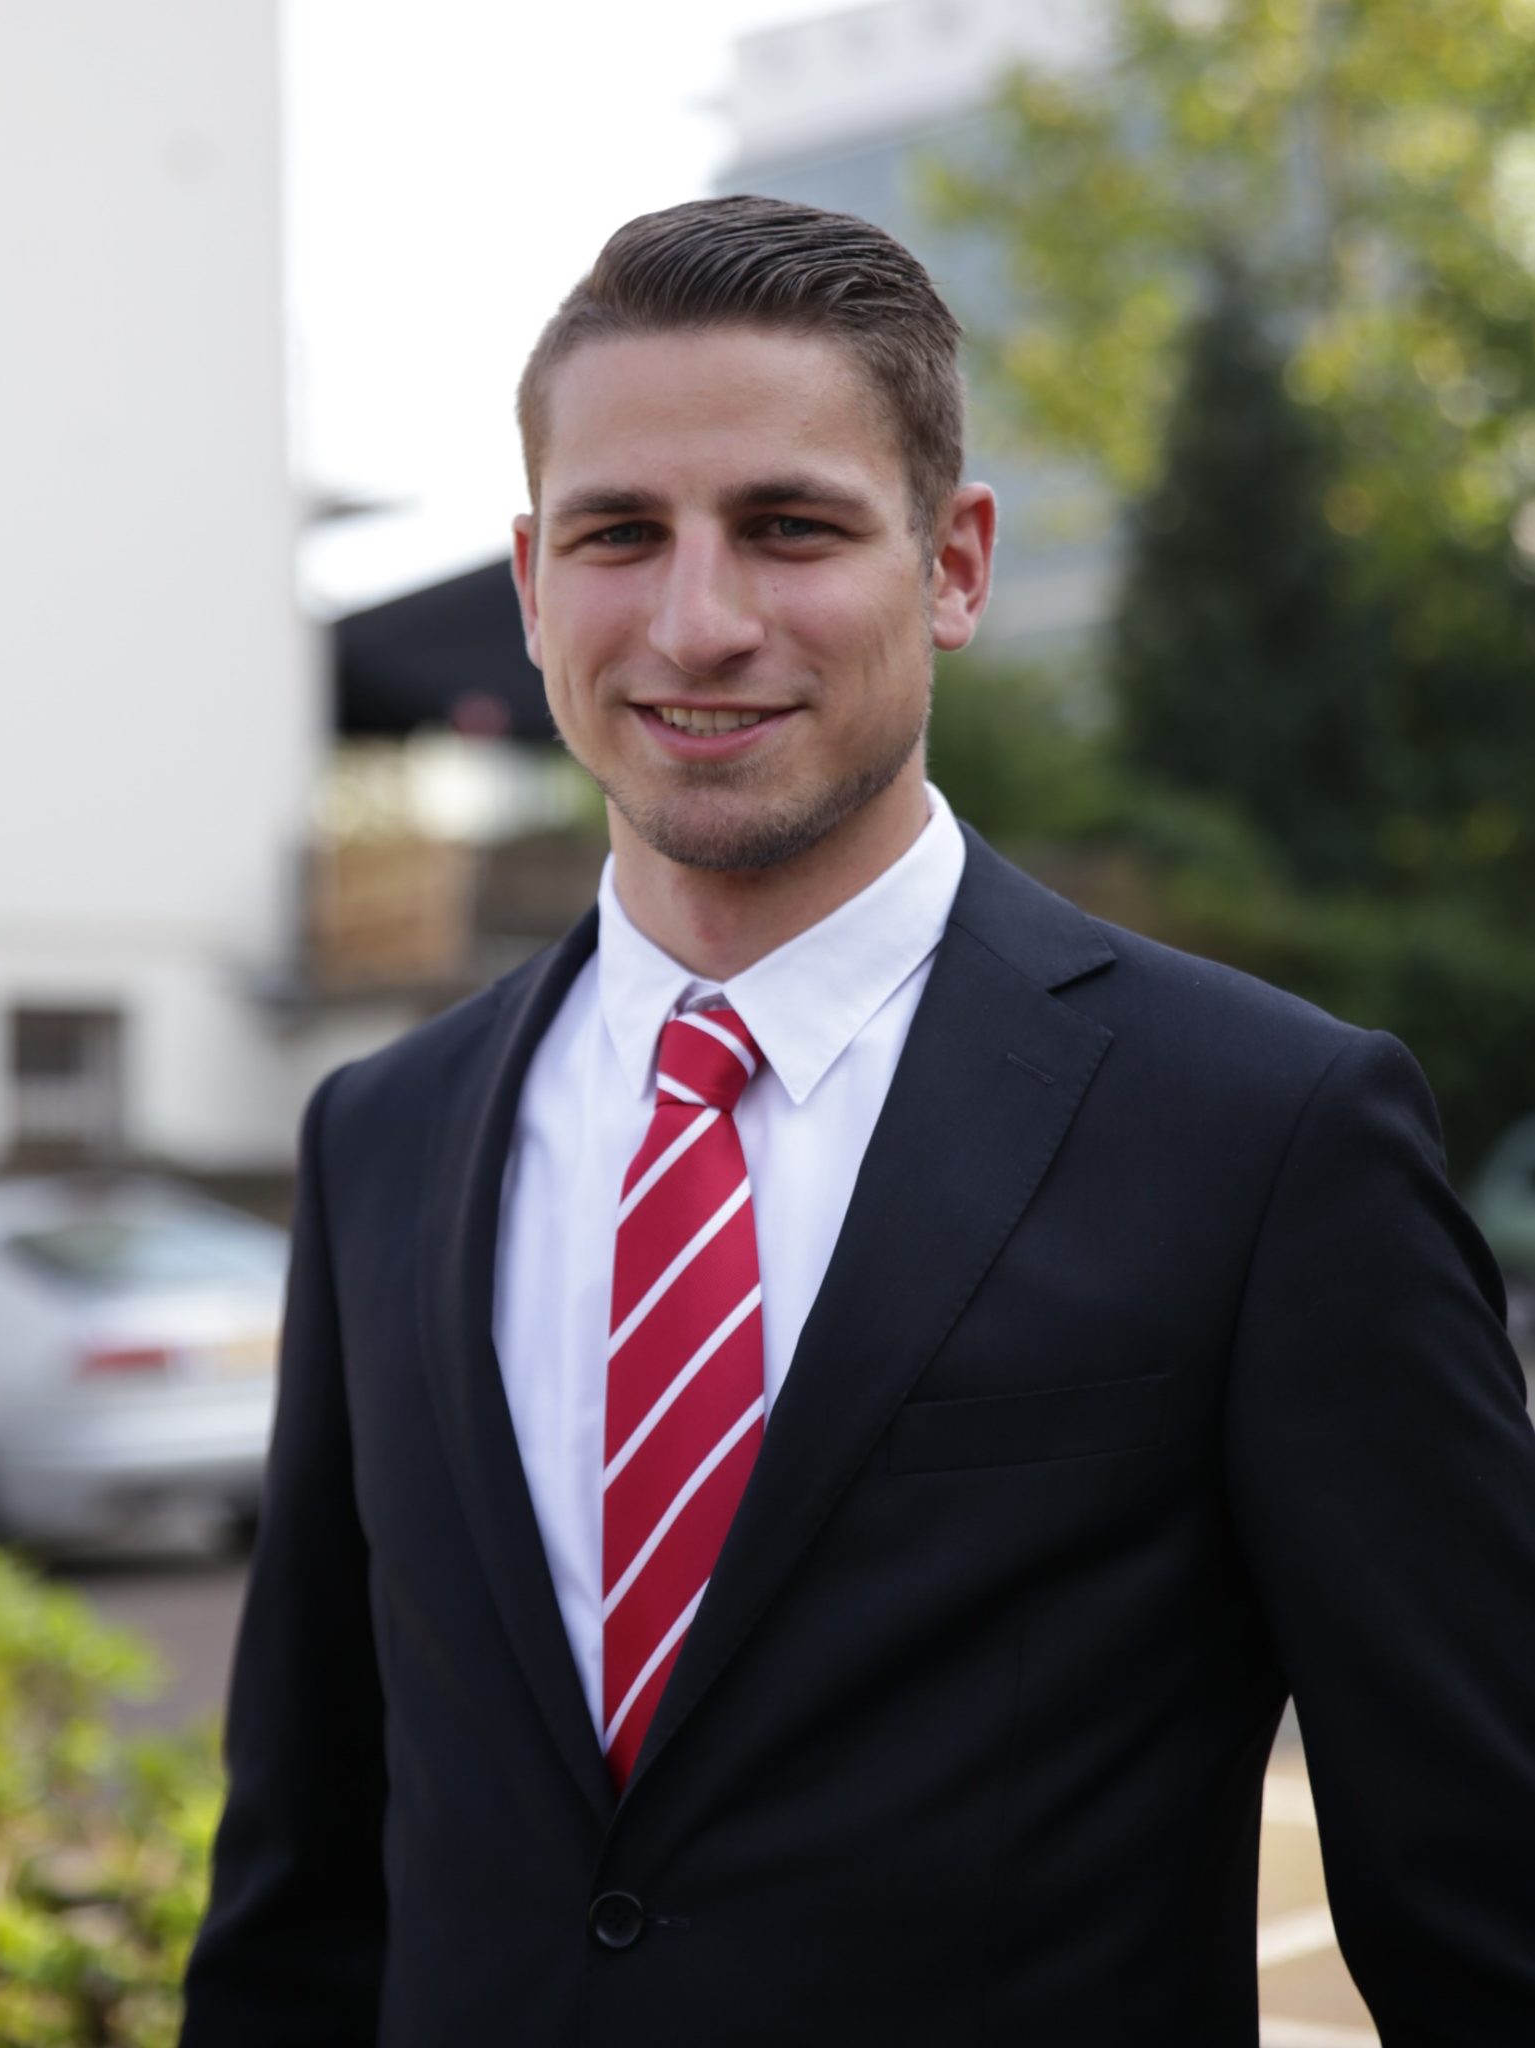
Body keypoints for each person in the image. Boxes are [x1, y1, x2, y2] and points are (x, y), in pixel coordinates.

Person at [180, 196, 1535, 2046]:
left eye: (789, 527)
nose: (698, 621)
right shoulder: (383, 1139)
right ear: (531, 583)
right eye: (618, 533)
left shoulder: (1264, 1135)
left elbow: (1486, 1910)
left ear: (952, 567)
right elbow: (303, 1898)